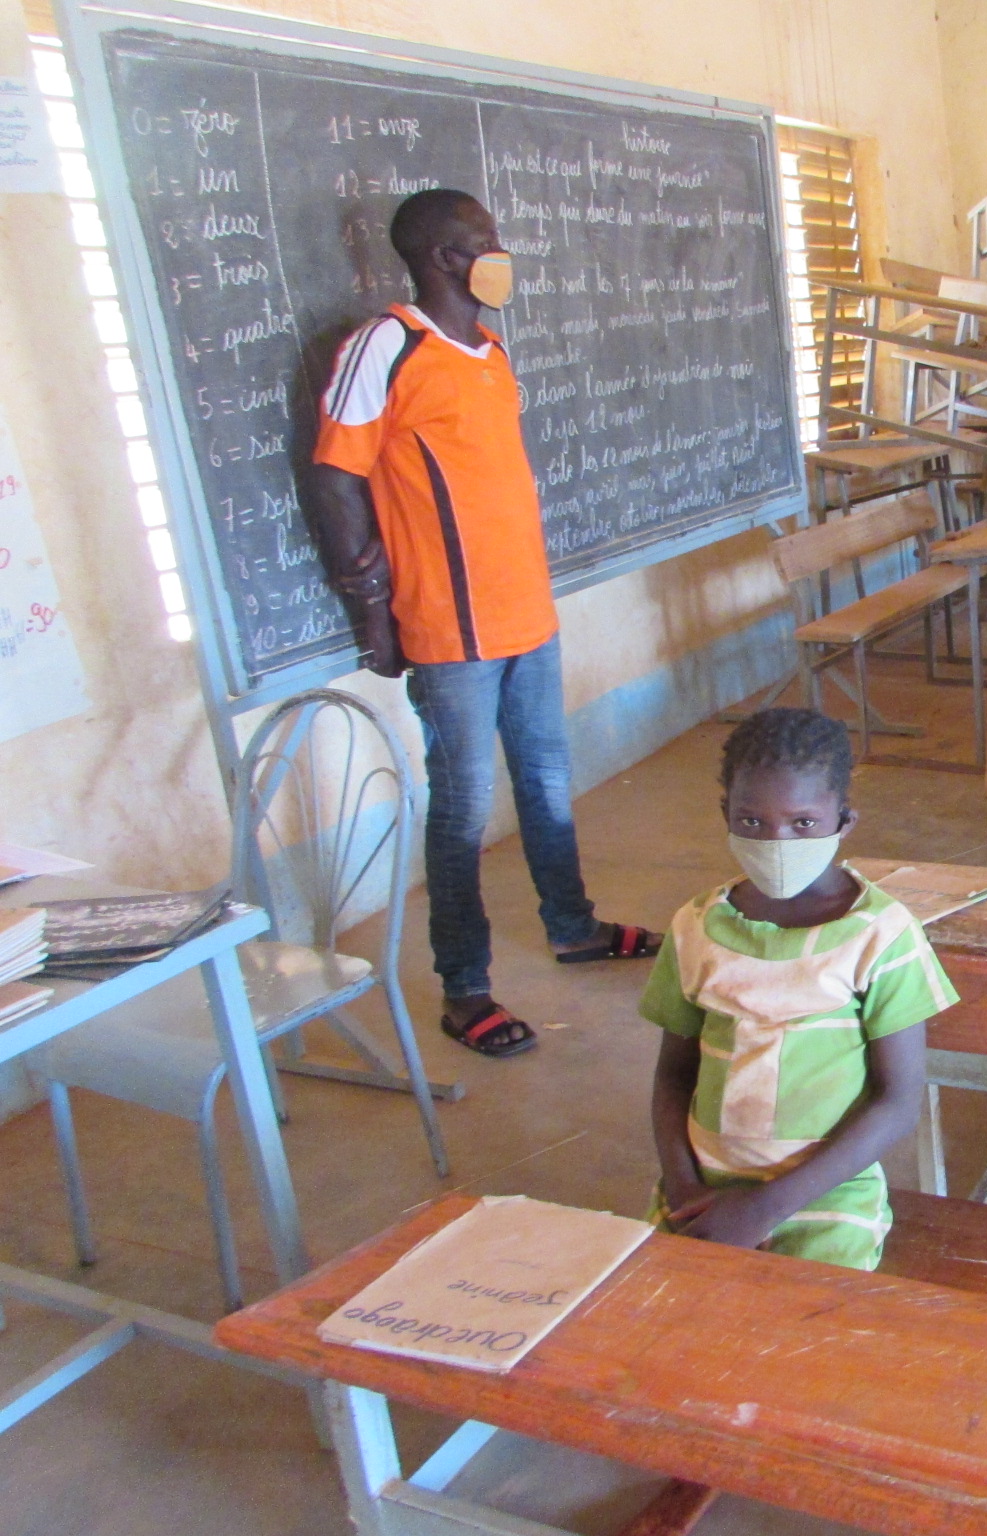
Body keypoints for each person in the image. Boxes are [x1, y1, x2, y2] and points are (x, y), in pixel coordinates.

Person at [310, 187, 654, 1060]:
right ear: (441, 258)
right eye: (484, 241)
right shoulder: (386, 346)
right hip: (449, 628)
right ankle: (464, 989)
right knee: (462, 808)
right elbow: (333, 478)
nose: (500, 254)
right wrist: (370, 612)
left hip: (526, 615)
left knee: (544, 781)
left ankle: (571, 926)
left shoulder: (490, 350)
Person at [641, 708, 954, 1271]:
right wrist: (682, 1185)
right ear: (725, 816)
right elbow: (672, 1074)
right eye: (752, 821)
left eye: (803, 823)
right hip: (702, 1182)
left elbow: (898, 1100)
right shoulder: (695, 927)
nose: (777, 840)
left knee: (804, 1325)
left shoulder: (880, 935)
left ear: (844, 820)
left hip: (825, 1191)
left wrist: (764, 1208)